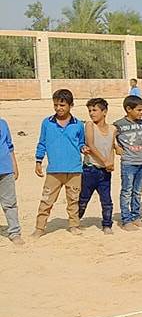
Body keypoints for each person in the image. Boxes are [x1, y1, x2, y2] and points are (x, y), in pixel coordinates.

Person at [33, 89, 85, 237]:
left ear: (71, 105)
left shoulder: (78, 124)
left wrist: (83, 148)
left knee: (73, 200)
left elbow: (81, 143)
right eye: (56, 105)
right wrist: (38, 161)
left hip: (74, 170)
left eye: (62, 105)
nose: (58, 108)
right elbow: (42, 143)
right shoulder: (47, 123)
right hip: (54, 170)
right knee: (46, 200)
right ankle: (40, 228)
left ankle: (74, 225)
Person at [77, 98, 115, 233]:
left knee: (106, 200)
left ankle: (107, 224)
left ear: (104, 112)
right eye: (90, 111)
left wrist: (111, 163)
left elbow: (111, 148)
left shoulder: (113, 129)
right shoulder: (89, 125)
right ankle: (75, 221)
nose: (92, 113)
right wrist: (104, 161)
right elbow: (91, 145)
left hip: (105, 171)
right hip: (90, 169)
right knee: (83, 198)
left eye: (95, 110)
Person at [114, 95, 142, 230]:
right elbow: (109, 136)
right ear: (128, 109)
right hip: (128, 162)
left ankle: (135, 216)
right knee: (127, 191)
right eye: (138, 110)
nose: (141, 113)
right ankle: (126, 219)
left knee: (137, 191)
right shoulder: (119, 124)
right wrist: (116, 147)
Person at [0, 114, 23, 244]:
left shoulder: (3, 123)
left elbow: (9, 146)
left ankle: (14, 232)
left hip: (5, 169)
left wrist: (14, 165)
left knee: (10, 203)